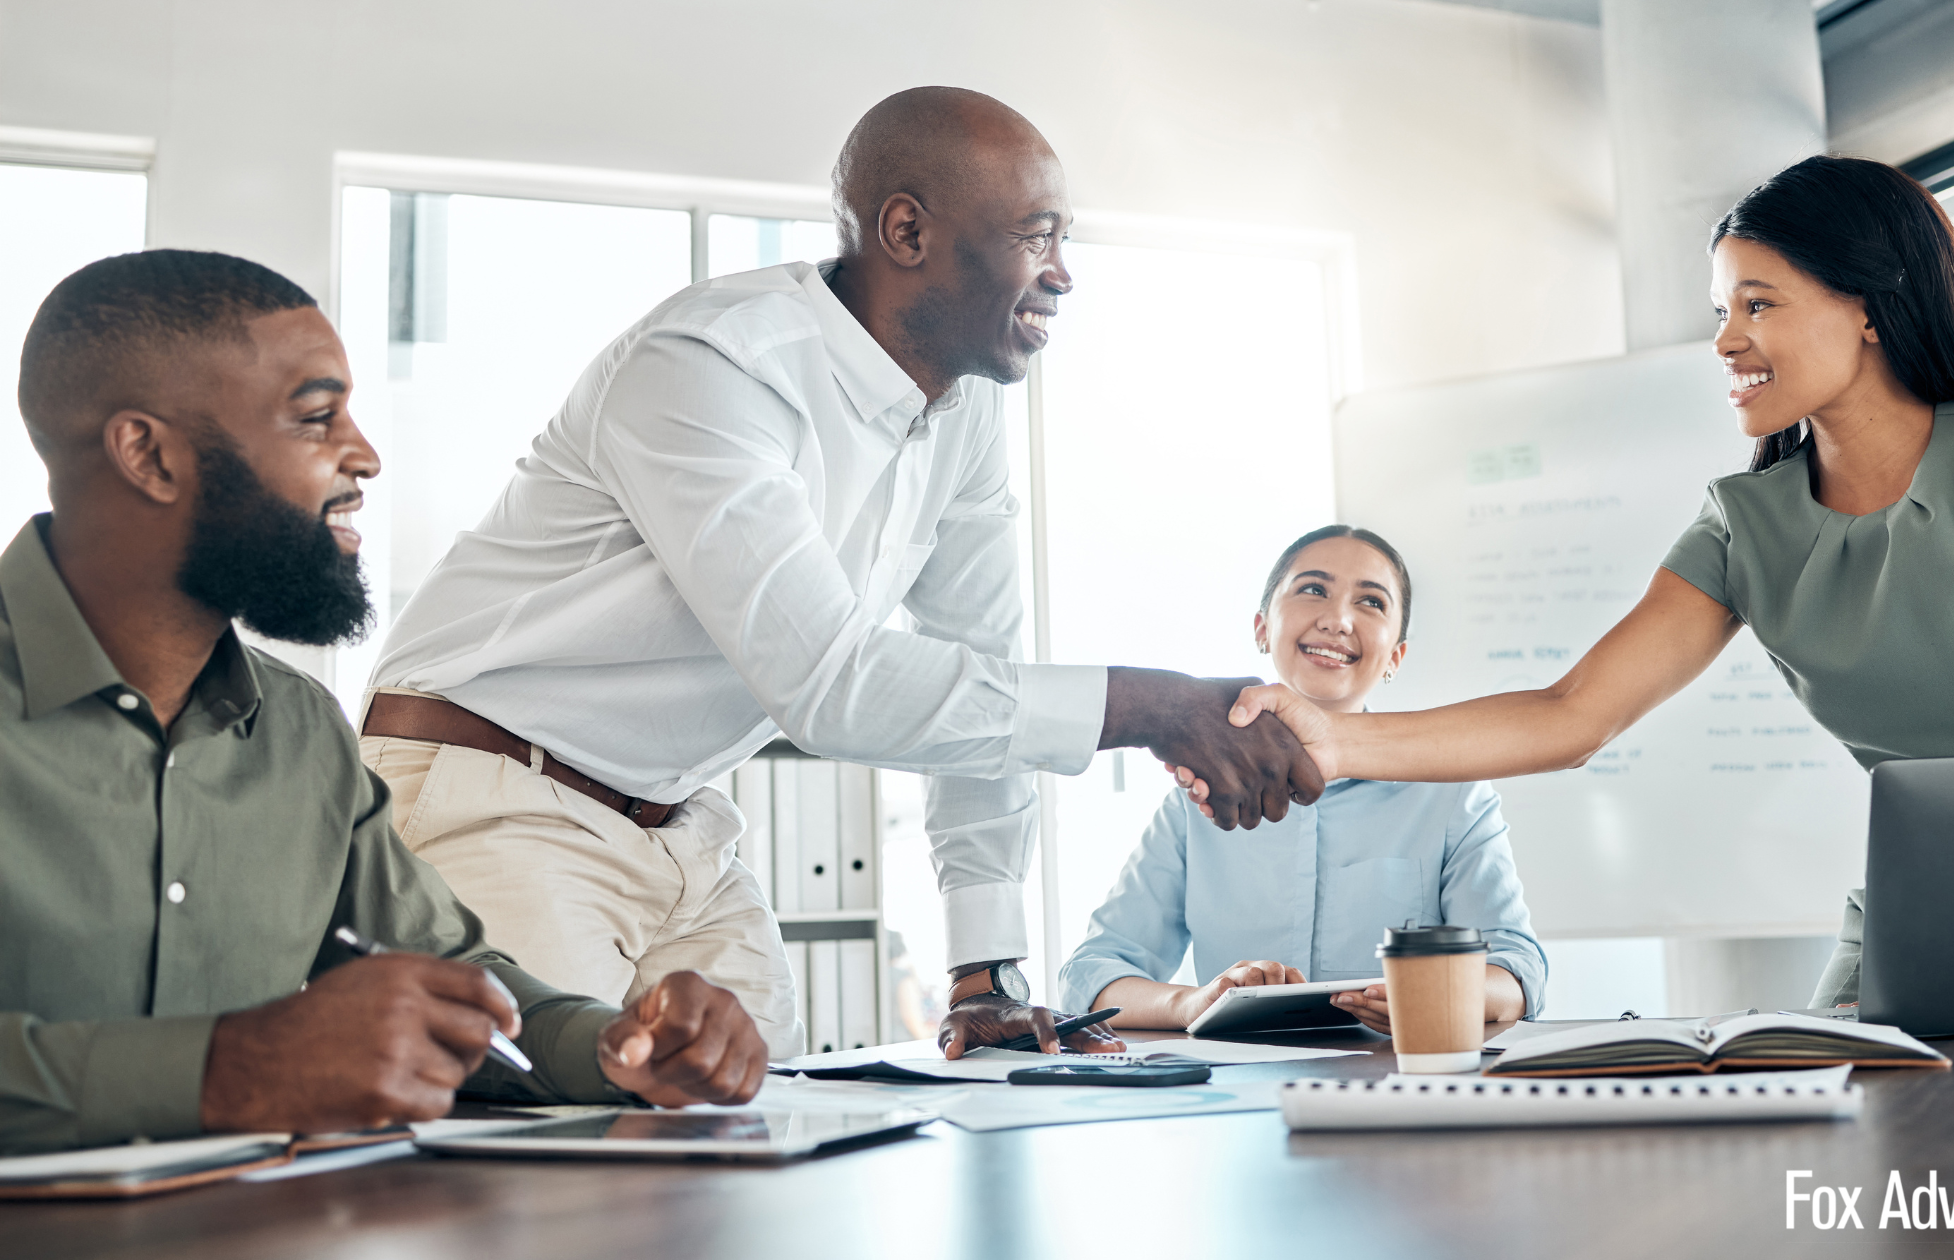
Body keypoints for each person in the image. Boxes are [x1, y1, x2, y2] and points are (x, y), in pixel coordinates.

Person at [362, 86, 1321, 1061]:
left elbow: (973, 663)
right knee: (546, 1168)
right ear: (906, 230)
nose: (1062, 275)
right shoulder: (711, 365)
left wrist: (983, 972)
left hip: (679, 832)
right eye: (1037, 237)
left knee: (763, 1128)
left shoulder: (963, 415)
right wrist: (1153, 706)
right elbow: (831, 683)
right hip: (497, 796)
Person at [1187, 156, 1954, 1008]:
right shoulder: (1745, 523)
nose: (1725, 341)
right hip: (1919, 931)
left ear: (1866, 308)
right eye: (1720, 308)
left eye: (1757, 303)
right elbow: (1571, 714)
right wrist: (1333, 737)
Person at [0, 250, 766, 1154]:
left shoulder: (299, 733)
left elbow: (455, 973)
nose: (362, 454)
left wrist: (615, 1044)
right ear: (150, 455)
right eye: (317, 418)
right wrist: (227, 1070)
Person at [1059, 526, 1545, 1032]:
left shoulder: (1453, 794)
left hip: (1396, 1088)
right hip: (1236, 1095)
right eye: (1313, 589)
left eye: (1372, 602)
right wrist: (1193, 1003)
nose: (1337, 620)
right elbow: (1090, 974)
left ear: (1395, 657)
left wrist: (1430, 995)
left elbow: (1518, 975)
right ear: (1262, 628)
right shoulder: (1198, 799)